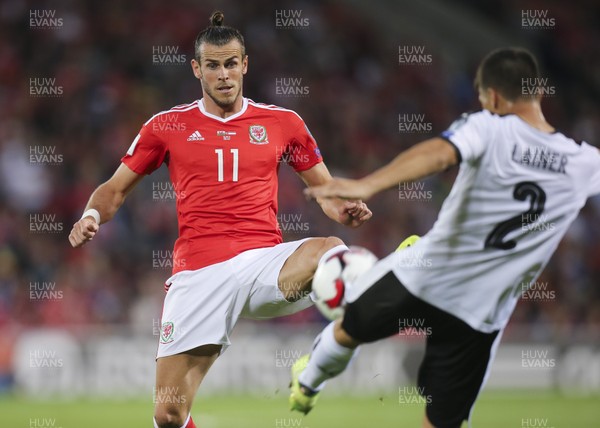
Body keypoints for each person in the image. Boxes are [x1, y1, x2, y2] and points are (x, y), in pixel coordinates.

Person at [68, 11, 372, 428]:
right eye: (213, 65)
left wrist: (343, 209)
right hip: (199, 272)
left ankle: (317, 364)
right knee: (169, 415)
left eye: (231, 63)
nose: (224, 74)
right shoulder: (167, 126)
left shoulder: (284, 123)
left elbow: (325, 190)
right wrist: (90, 216)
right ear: (197, 69)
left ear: (245, 64)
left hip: (263, 265)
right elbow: (114, 189)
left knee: (334, 253)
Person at [290, 47, 600, 428]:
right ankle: (308, 381)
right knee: (441, 422)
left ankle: (306, 384)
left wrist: (368, 184)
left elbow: (439, 152)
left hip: (425, 276)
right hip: (481, 316)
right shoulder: (586, 164)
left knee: (349, 326)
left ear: (494, 97)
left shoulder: (488, 126)